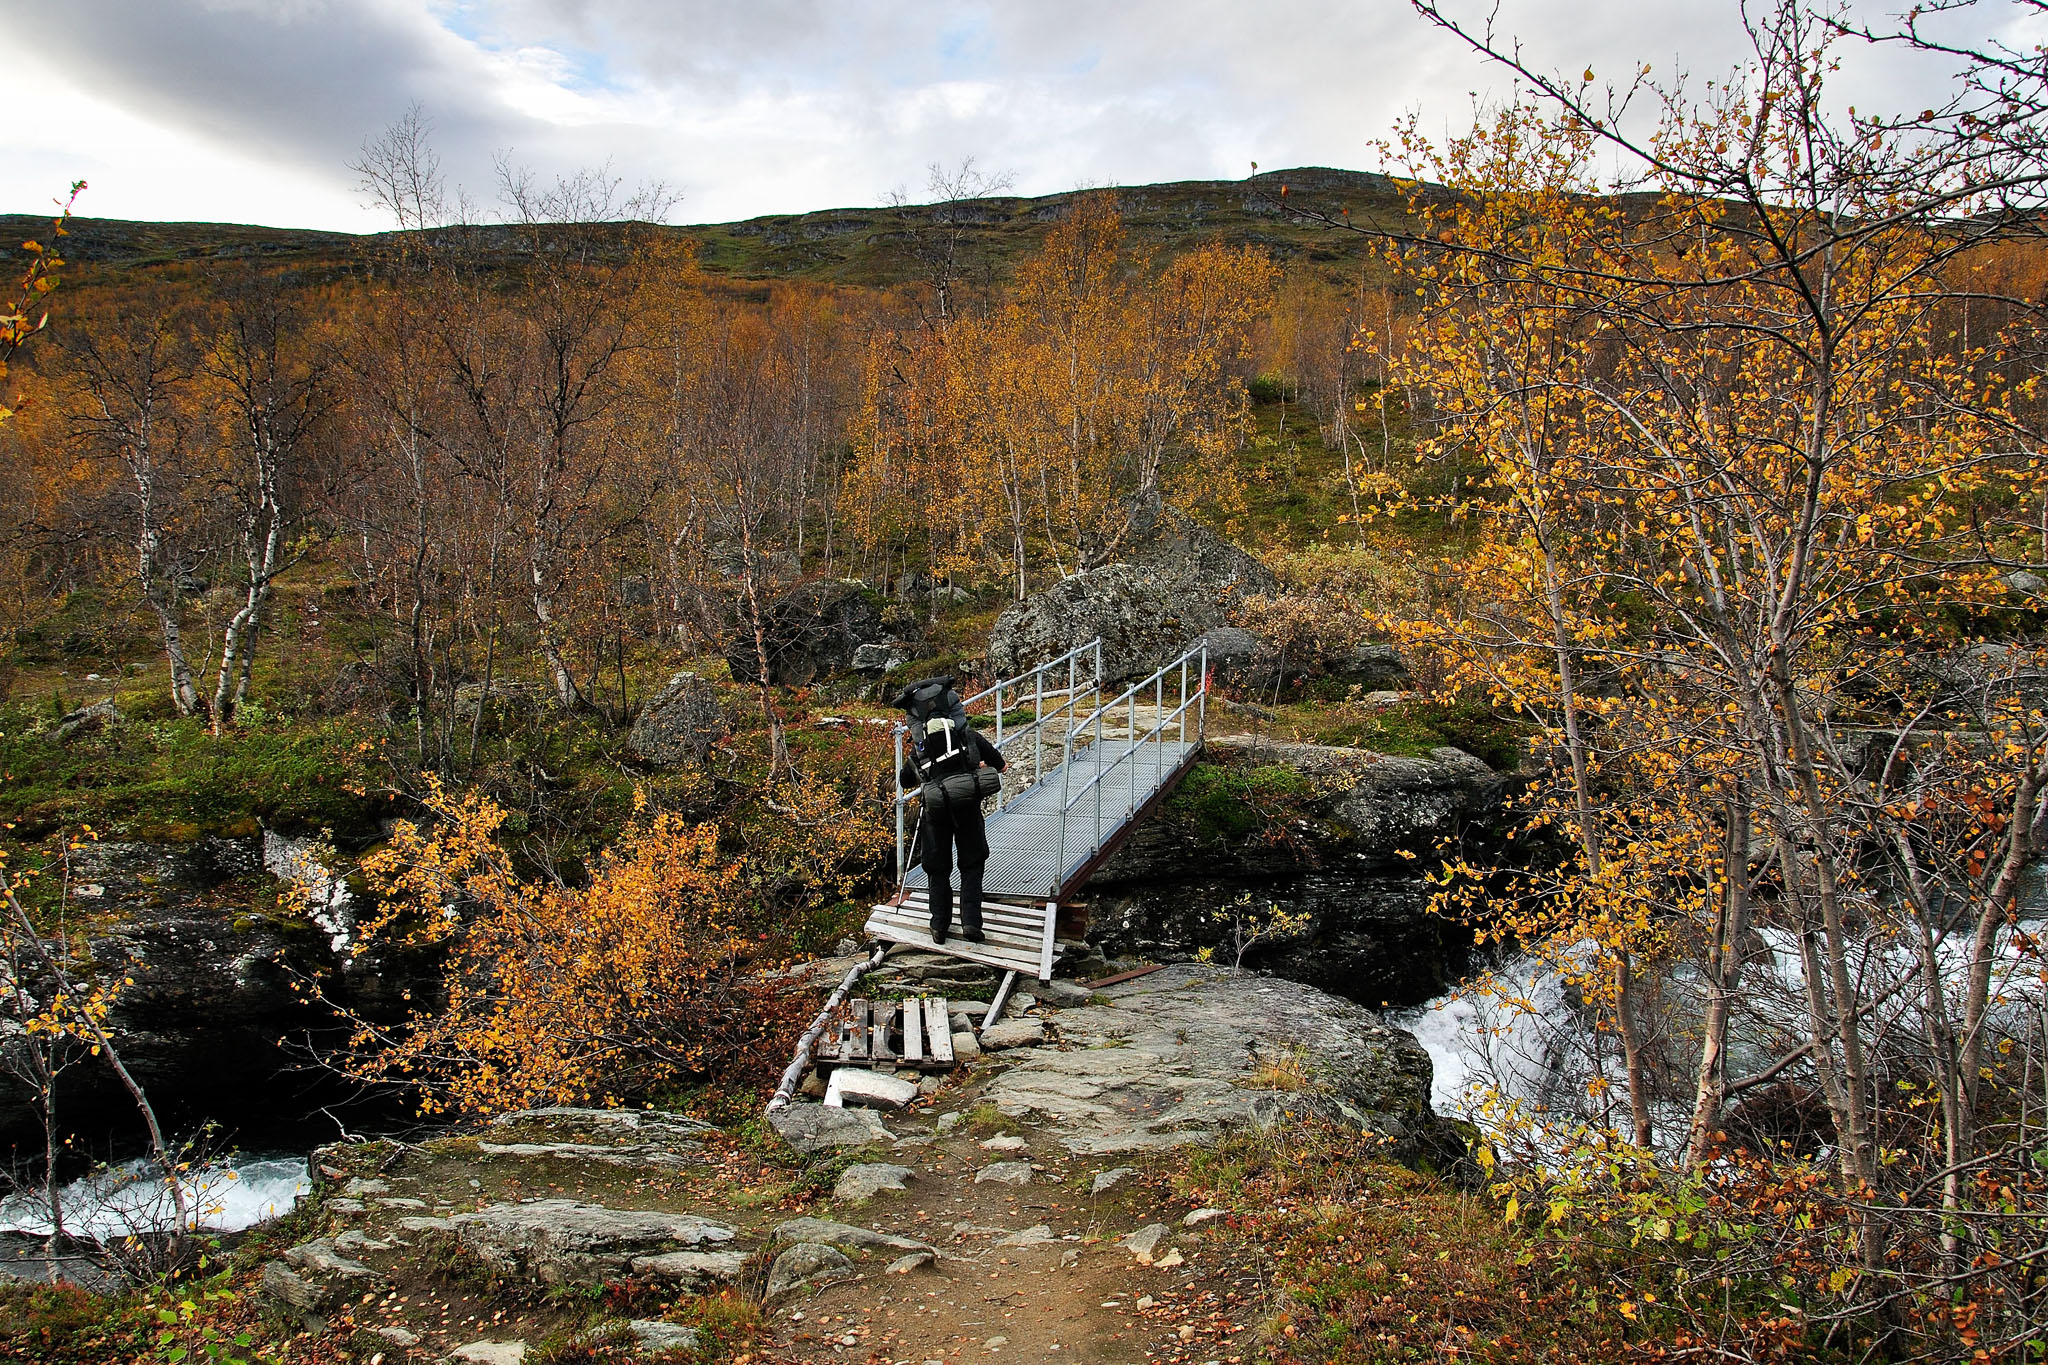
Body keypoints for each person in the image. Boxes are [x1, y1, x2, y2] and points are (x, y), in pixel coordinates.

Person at [893, 677, 1007, 944]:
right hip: (967, 806)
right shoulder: (968, 735)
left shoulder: (920, 746)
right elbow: (1000, 765)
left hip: (935, 811)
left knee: (937, 868)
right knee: (972, 863)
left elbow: (905, 781)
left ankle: (939, 926)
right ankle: (971, 924)